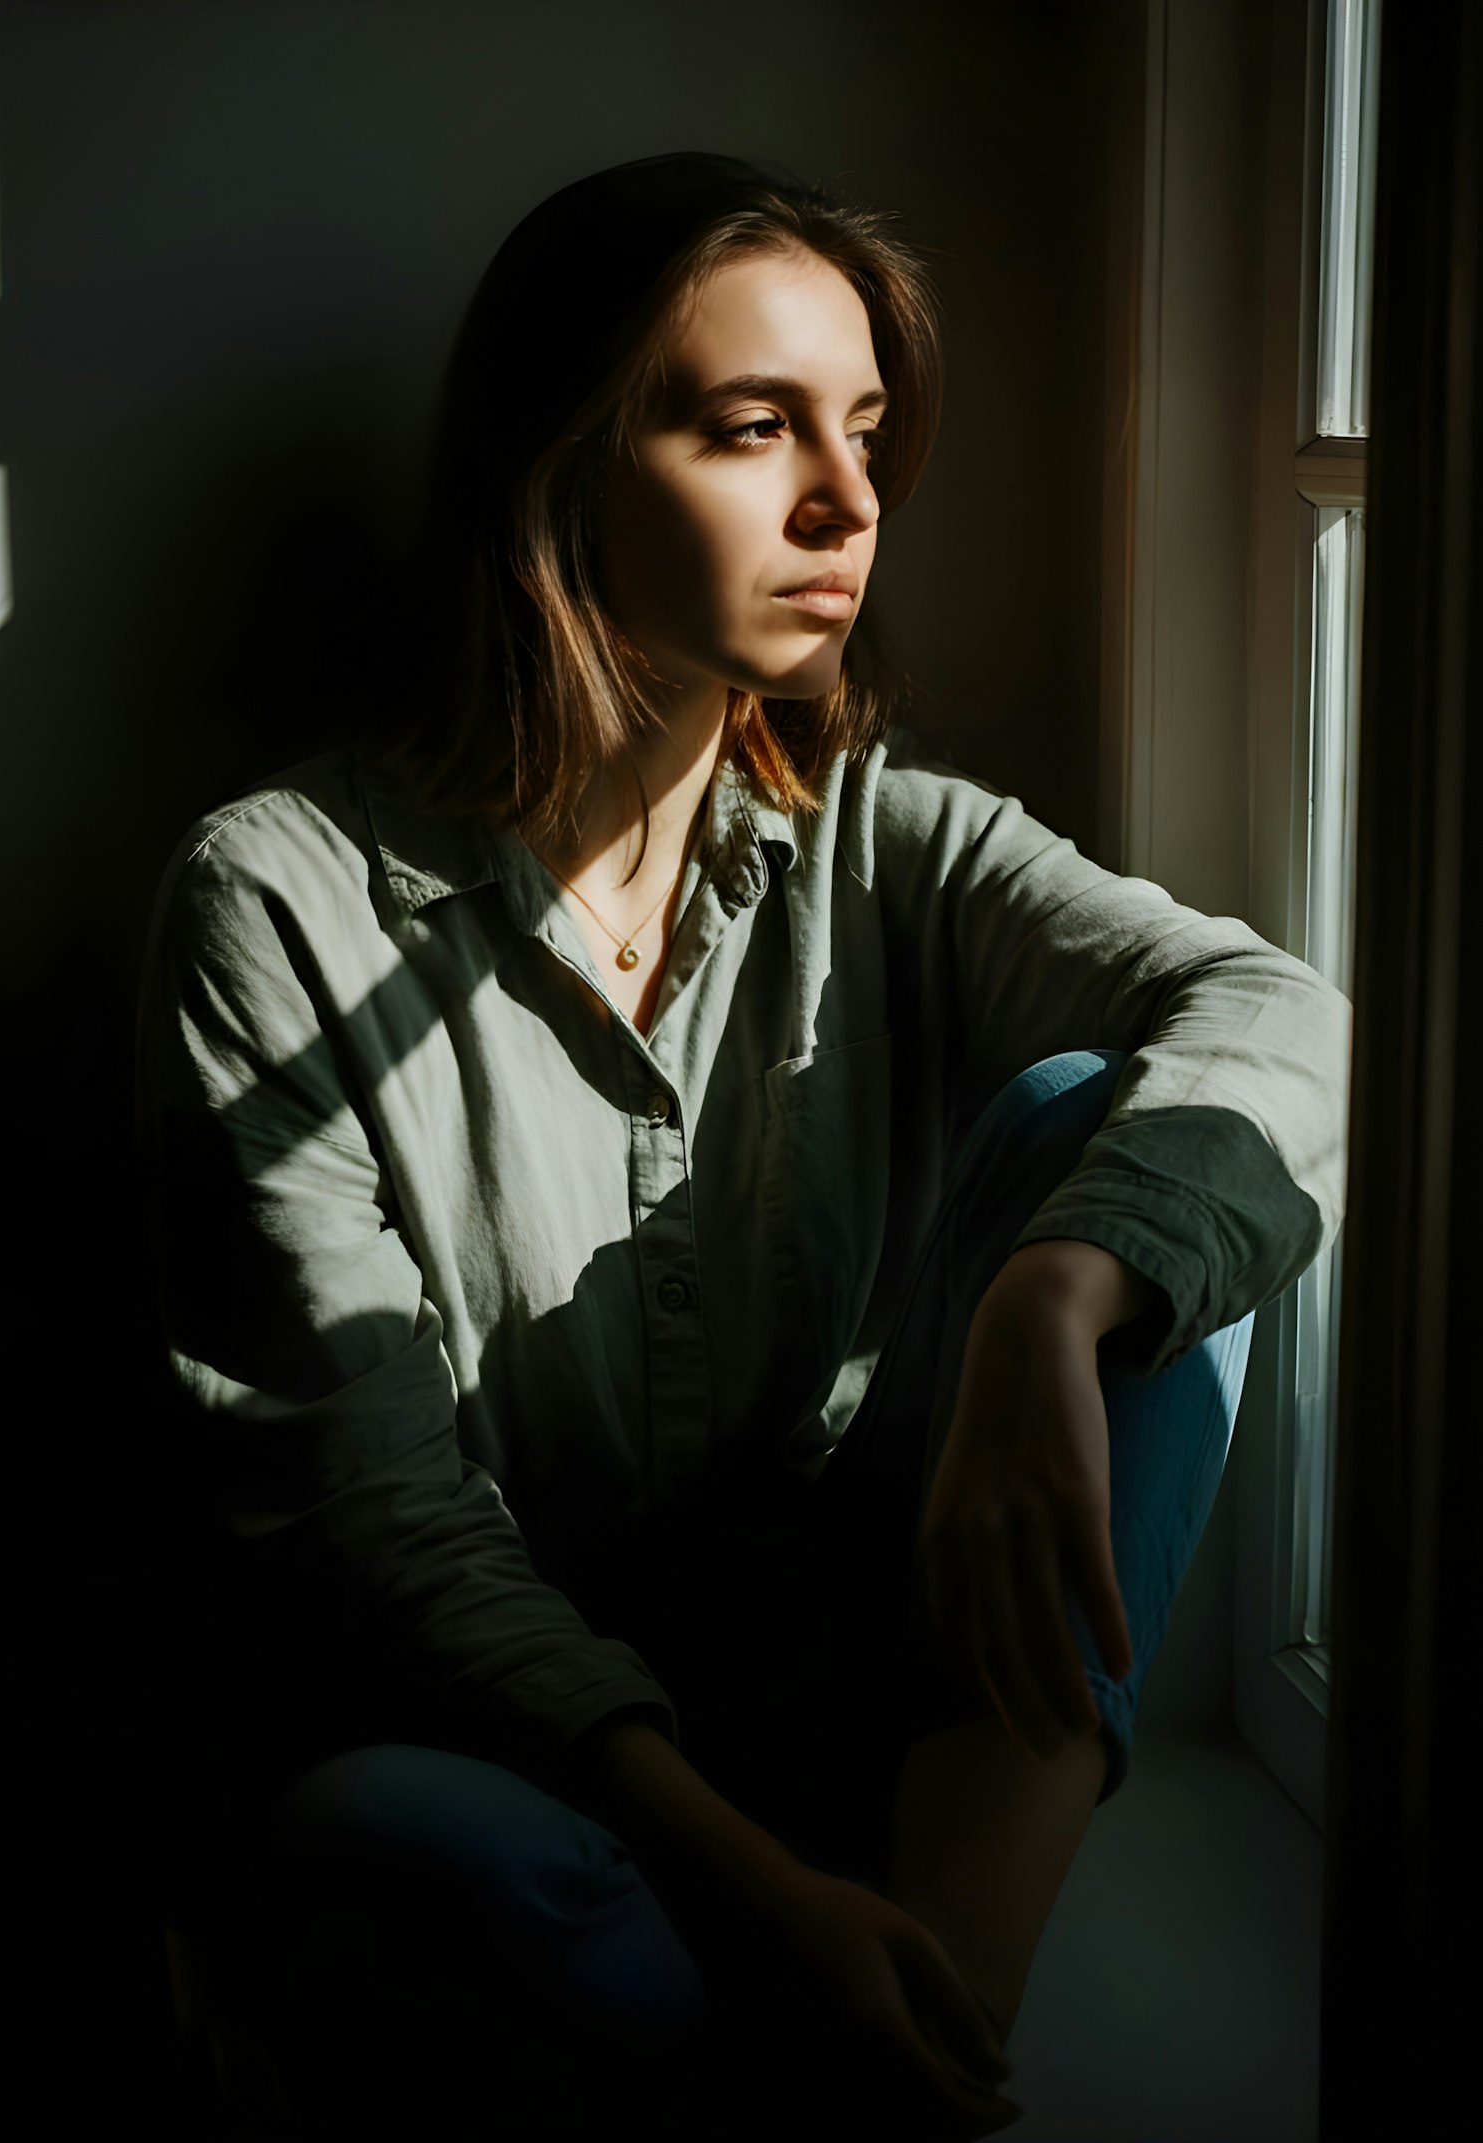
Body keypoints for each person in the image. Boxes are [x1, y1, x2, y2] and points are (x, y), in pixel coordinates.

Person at [133, 151, 1351, 2138]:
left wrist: (1056, 1290)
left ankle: (933, 2011)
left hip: (846, 1676)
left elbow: (1284, 1014)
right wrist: (758, 1881)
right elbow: (375, 1520)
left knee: (1114, 1154)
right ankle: (813, 1996)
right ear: (566, 466)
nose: (849, 502)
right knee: (416, 1848)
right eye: (752, 426)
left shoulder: (879, 833)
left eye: (865, 430)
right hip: (519, 1751)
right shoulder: (276, 906)